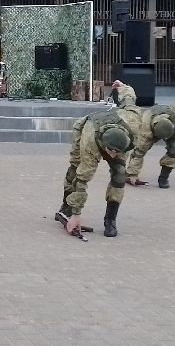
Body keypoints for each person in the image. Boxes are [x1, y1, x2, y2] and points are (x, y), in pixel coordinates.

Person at [56, 89, 136, 238]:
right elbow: (83, 179)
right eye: (111, 152)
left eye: (117, 152)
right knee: (75, 171)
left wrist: (123, 87)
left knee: (119, 175)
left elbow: (130, 102)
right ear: (107, 147)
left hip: (116, 135)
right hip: (87, 129)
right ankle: (67, 208)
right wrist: (76, 214)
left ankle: (110, 219)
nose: (114, 156)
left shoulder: (131, 126)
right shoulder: (90, 141)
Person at [126, 84, 175, 188]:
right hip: (151, 120)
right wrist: (132, 175)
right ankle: (130, 175)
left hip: (172, 128)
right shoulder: (145, 130)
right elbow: (138, 153)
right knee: (140, 149)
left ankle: (164, 177)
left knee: (174, 150)